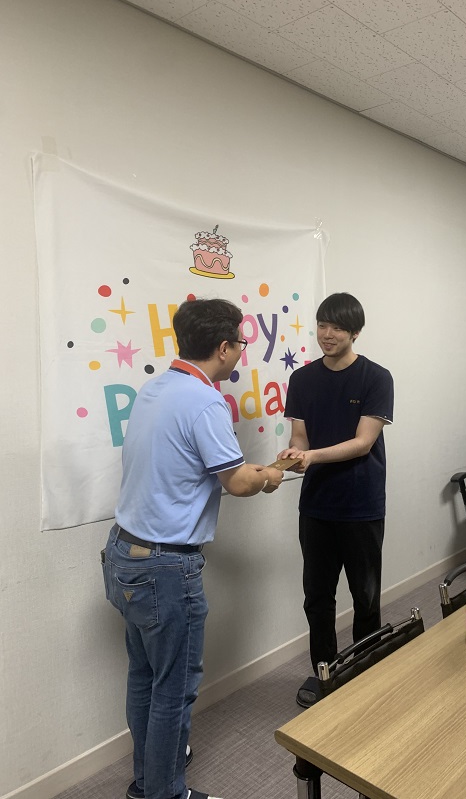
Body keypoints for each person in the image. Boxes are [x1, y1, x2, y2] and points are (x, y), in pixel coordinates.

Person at [102, 298, 283, 799]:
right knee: (174, 689)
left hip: (124, 554)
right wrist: (272, 475)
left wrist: (255, 472)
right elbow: (238, 483)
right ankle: (166, 792)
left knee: (145, 676)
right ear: (224, 348)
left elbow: (194, 468)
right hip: (164, 569)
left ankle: (147, 782)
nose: (241, 353)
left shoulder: (154, 388)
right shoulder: (205, 402)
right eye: (240, 344)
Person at [278, 292, 394, 708]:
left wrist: (311, 457)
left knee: (365, 596)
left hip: (362, 504)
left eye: (338, 328)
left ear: (355, 333)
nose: (327, 335)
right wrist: (294, 454)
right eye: (322, 325)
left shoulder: (376, 378)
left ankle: (366, 667)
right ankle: (325, 671)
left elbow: (363, 443)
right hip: (316, 506)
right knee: (317, 598)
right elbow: (300, 437)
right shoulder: (302, 379)